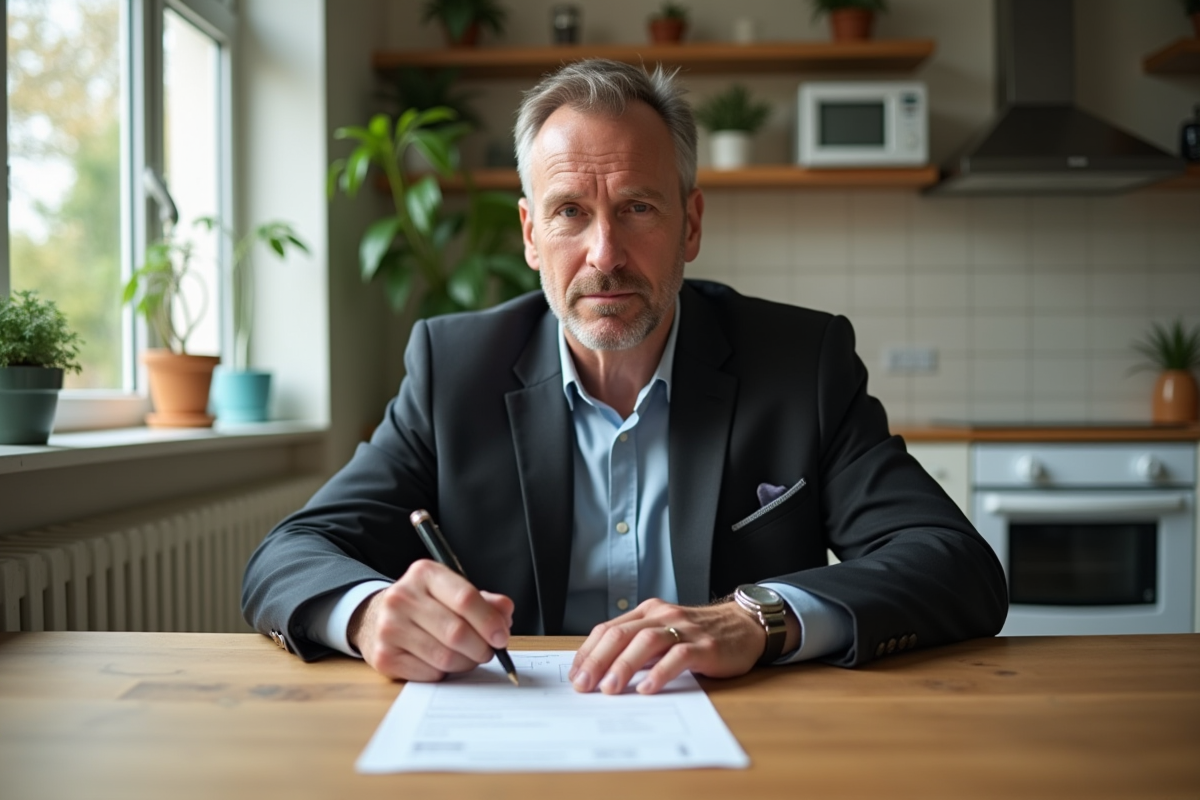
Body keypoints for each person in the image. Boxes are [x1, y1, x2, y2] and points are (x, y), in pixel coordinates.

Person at [242, 59, 1007, 695]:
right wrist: (372, 611)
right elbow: (290, 553)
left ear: (692, 224)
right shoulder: (454, 369)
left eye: (637, 207)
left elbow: (955, 564)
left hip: (748, 742)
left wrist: (757, 619)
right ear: (531, 234)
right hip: (513, 737)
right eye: (570, 211)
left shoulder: (799, 363)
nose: (604, 254)